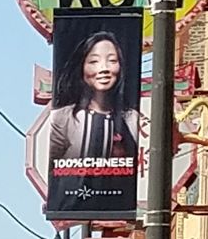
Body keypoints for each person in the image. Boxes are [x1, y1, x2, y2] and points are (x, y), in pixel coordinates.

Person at [48, 30, 145, 161]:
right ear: (81, 67)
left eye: (112, 60)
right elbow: (53, 168)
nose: (104, 68)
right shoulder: (62, 118)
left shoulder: (133, 118)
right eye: (94, 61)